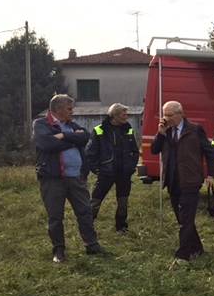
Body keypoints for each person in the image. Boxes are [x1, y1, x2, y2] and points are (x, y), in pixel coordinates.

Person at [32, 94, 106, 263]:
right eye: (69, 109)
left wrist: (64, 136)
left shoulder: (71, 125)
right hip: (52, 179)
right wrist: (74, 140)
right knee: (56, 216)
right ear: (58, 109)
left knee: (85, 211)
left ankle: (91, 244)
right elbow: (47, 144)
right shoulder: (41, 124)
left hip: (76, 177)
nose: (72, 112)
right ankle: (59, 250)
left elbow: (85, 136)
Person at [150, 100, 214, 269]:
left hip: (191, 180)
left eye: (170, 115)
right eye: (164, 115)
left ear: (180, 114)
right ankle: (198, 248)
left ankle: (183, 255)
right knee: (182, 218)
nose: (166, 118)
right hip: (173, 181)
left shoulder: (195, 130)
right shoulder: (166, 131)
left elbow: (209, 152)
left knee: (186, 219)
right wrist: (160, 133)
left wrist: (211, 174)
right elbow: (154, 150)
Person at [86, 103, 139, 234]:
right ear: (114, 115)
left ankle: (121, 227)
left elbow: (135, 151)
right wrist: (97, 170)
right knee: (96, 199)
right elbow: (90, 153)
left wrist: (131, 166)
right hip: (106, 173)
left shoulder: (128, 129)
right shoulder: (100, 130)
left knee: (123, 201)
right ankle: (87, 226)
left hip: (124, 173)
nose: (126, 116)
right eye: (123, 114)